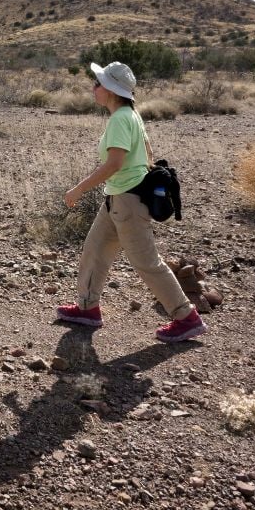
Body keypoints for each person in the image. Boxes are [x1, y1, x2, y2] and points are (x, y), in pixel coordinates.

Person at [56, 61, 207, 343]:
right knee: (95, 250)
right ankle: (88, 309)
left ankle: (186, 317)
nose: (94, 88)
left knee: (146, 262)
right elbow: (147, 151)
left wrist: (78, 190)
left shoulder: (120, 119)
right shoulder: (130, 115)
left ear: (111, 91)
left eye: (98, 84)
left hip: (127, 200)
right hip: (119, 197)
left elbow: (114, 163)